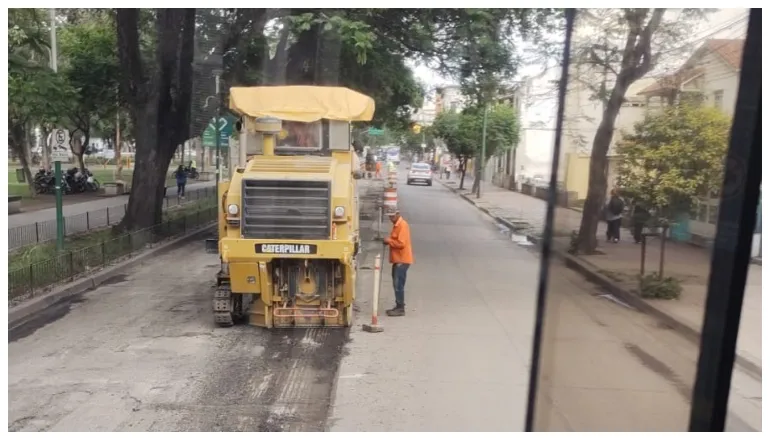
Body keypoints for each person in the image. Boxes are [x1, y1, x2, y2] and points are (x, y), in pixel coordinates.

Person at [383, 211, 413, 317]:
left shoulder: (402, 225)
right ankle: (398, 305)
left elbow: (401, 243)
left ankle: (400, 308)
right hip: (398, 260)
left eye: (392, 216)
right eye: (389, 216)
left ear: (398, 214)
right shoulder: (396, 225)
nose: (391, 218)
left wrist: (389, 241)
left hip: (402, 260)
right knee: (396, 284)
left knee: (398, 284)